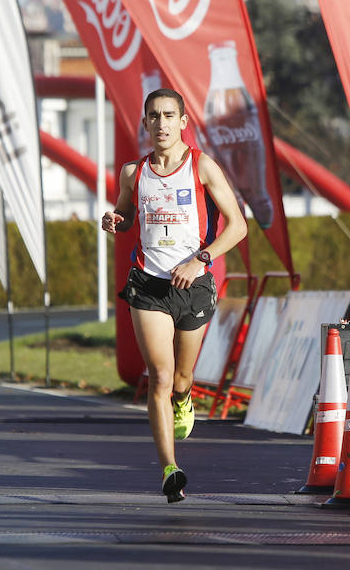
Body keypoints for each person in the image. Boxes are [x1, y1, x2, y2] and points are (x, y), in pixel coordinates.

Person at [101, 88, 247, 503]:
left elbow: (238, 227)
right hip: (148, 285)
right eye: (154, 116)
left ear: (184, 122)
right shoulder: (134, 172)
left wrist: (201, 259)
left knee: (181, 379)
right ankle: (170, 468)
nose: (161, 123)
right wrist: (116, 219)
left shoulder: (202, 168)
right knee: (160, 377)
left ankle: (184, 399)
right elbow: (127, 215)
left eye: (169, 115)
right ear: (145, 123)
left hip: (193, 284)